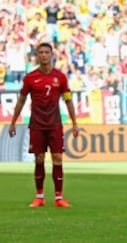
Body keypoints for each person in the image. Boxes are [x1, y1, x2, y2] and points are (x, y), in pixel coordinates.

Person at [8, 42, 79, 208]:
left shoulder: (60, 77)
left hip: (54, 124)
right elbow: (21, 101)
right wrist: (13, 122)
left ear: (51, 55)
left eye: (46, 52)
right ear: (37, 56)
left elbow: (68, 100)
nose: (44, 55)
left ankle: (59, 197)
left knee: (57, 158)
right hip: (37, 124)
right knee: (39, 159)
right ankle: (39, 196)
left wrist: (75, 123)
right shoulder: (30, 78)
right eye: (40, 52)